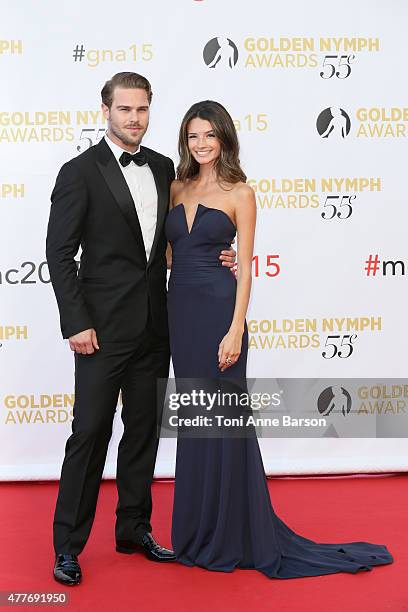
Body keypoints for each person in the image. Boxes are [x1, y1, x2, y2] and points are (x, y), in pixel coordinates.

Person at [164, 100, 394, 578]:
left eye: (209, 135)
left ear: (225, 138)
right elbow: (170, 256)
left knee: (224, 421)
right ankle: (195, 531)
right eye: (193, 136)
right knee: (194, 420)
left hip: (219, 313)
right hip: (180, 312)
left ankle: (230, 531)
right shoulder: (175, 187)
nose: (201, 144)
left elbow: (245, 272)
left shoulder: (241, 193)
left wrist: (234, 330)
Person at [46, 73, 236, 586]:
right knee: (89, 433)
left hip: (157, 325)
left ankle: (133, 528)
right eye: (125, 109)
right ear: (106, 110)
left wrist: (222, 256)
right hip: (101, 332)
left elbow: (174, 242)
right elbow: (59, 254)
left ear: (150, 111)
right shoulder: (78, 172)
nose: (134, 118)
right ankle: (67, 546)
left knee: (143, 434)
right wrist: (77, 321)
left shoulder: (162, 168)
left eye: (142, 109)